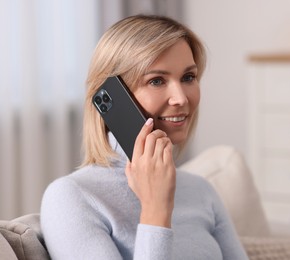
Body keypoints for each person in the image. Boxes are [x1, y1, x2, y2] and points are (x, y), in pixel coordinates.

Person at [40, 15, 248, 259]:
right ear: (114, 95)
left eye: (188, 77)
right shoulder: (70, 197)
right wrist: (156, 210)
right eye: (157, 80)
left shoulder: (202, 191)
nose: (180, 98)